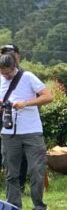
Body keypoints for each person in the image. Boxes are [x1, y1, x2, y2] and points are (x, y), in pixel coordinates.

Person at [0, 52, 52, 210]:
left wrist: (26, 103)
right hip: (9, 133)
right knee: (11, 174)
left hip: (32, 132)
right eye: (3, 73)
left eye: (8, 73)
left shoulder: (28, 77)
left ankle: (39, 207)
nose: (6, 76)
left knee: (36, 171)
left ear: (14, 67)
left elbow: (48, 97)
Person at [0, 44, 29, 199]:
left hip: (20, 122)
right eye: (5, 53)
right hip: (2, 119)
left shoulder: (25, 76)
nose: (9, 56)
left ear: (18, 56)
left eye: (12, 53)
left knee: (21, 156)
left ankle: (20, 187)